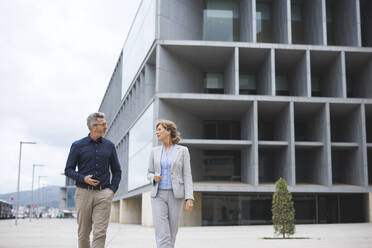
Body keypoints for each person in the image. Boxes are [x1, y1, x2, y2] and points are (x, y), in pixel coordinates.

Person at [65, 112, 122, 248]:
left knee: (100, 232)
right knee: (84, 233)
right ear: (93, 127)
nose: (106, 126)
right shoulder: (78, 145)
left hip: (104, 194)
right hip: (83, 194)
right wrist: (83, 178)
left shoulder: (109, 146)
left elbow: (117, 170)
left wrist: (112, 190)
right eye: (103, 124)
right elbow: (68, 170)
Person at [147, 119, 194, 248]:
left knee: (172, 233)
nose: (157, 132)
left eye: (159, 129)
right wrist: (153, 178)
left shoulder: (183, 150)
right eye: (156, 130)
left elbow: (187, 175)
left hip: (176, 195)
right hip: (158, 195)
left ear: (168, 131)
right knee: (162, 233)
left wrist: (189, 197)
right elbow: (149, 172)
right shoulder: (154, 151)